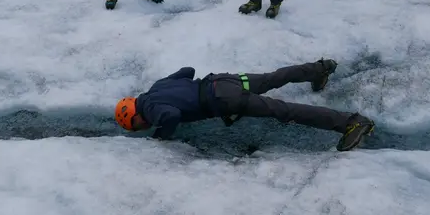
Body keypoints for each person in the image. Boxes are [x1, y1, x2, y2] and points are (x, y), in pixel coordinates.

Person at [114, 59, 375, 152]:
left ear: (134, 115)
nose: (142, 127)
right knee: (273, 78)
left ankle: (351, 122)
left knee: (283, 111)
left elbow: (170, 116)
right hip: (223, 81)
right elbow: (188, 71)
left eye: (136, 126)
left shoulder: (150, 110)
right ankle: (318, 69)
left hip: (225, 100)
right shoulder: (157, 87)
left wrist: (161, 137)